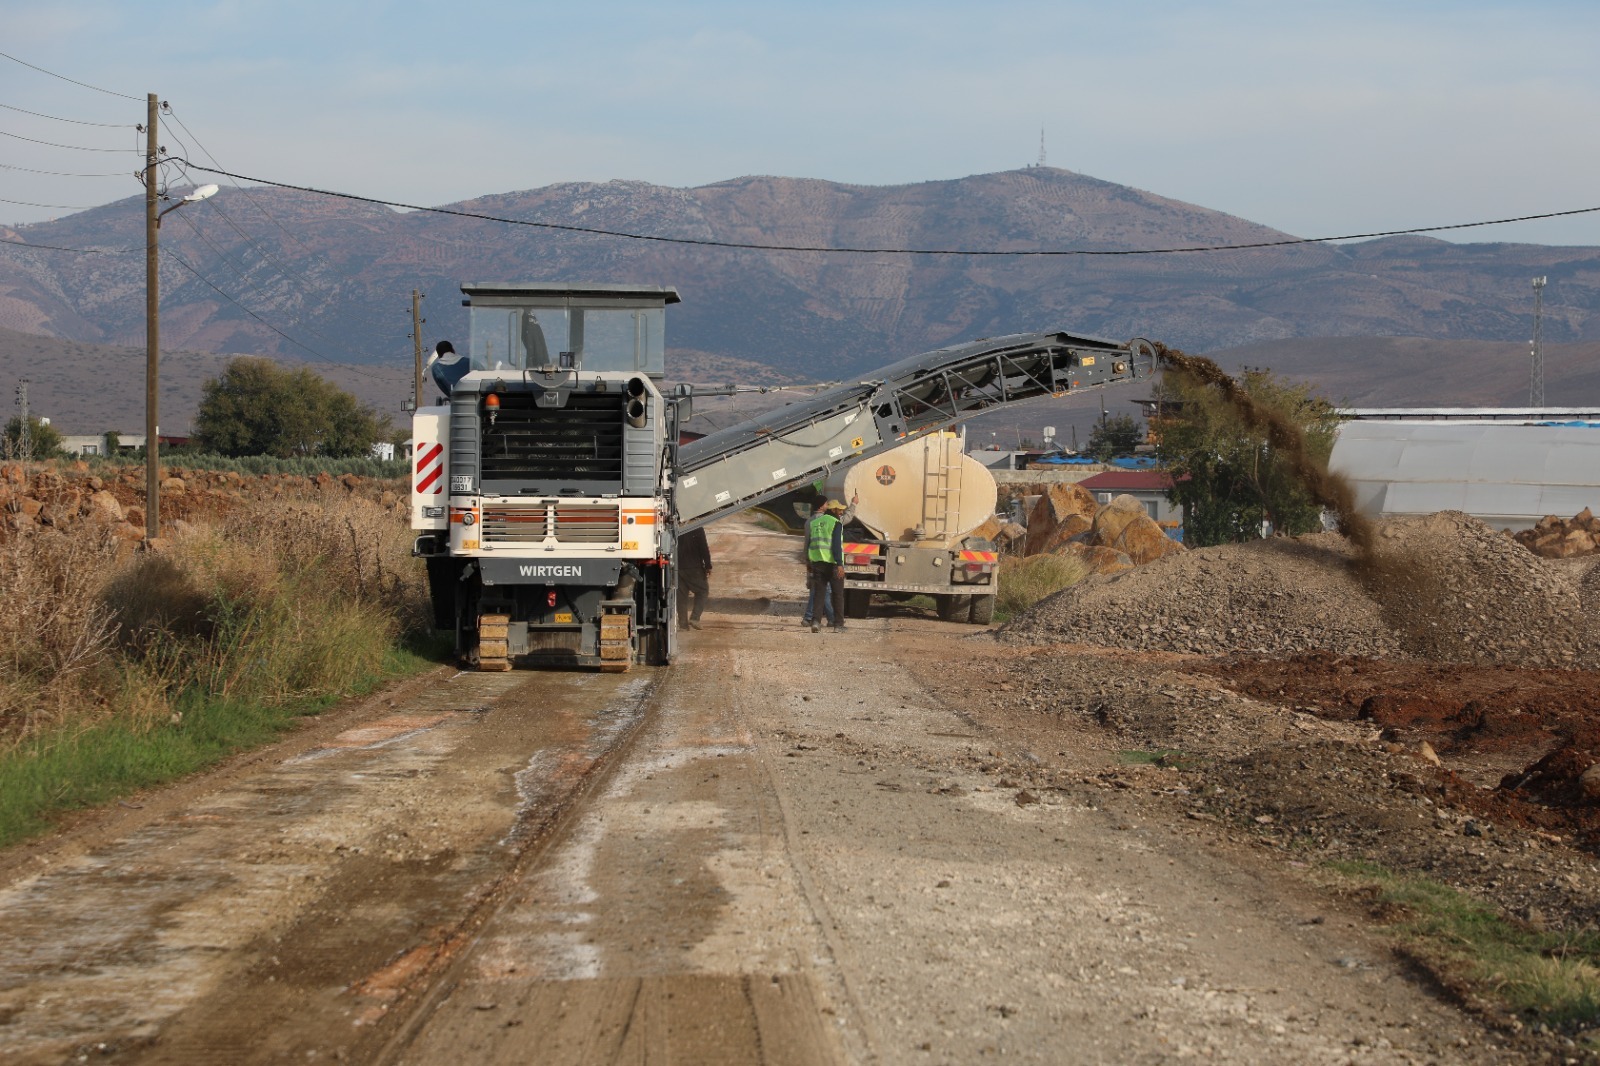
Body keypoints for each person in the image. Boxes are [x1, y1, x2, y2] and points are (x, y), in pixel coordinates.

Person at [805, 499, 849, 633]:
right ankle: (838, 625)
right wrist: (840, 564)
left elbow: (810, 543)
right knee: (837, 595)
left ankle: (816, 622)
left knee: (819, 594)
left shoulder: (814, 523)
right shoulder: (836, 523)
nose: (841, 512)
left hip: (818, 563)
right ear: (833, 510)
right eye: (839, 509)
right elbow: (836, 545)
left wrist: (809, 562)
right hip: (833, 564)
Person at [676, 525, 712, 630]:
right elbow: (704, 547)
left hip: (678, 568)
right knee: (703, 591)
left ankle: (683, 625)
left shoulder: (675, 526)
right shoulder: (697, 527)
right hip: (694, 567)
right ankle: (695, 618)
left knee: (681, 597)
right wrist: (708, 565)